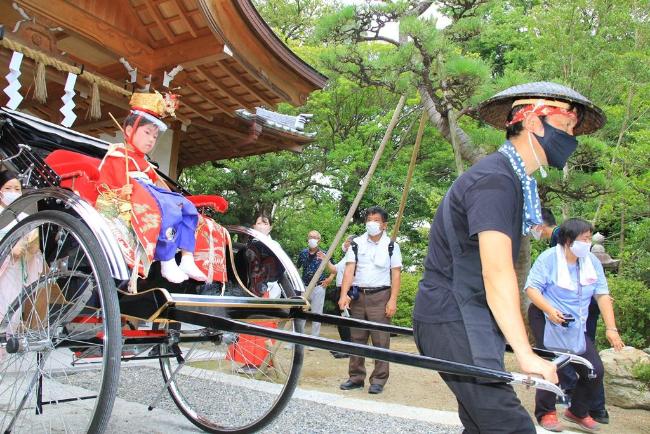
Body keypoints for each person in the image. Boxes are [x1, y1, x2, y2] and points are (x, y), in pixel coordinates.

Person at [412, 81, 607, 433]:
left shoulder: (515, 181)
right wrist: (525, 352)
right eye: (565, 127)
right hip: (453, 315)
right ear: (533, 122)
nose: (571, 138)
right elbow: (497, 272)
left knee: (481, 426)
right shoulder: (495, 181)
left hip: (467, 317)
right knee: (512, 426)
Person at [526, 218, 624, 432]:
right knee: (553, 364)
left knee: (594, 370)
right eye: (585, 238)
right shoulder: (549, 258)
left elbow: (602, 295)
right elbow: (531, 289)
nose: (587, 243)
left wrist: (611, 328)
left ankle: (577, 411)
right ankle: (546, 412)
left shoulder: (591, 261)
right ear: (569, 240)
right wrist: (550, 310)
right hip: (545, 316)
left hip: (575, 322)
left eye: (590, 238)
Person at [97, 92, 206, 284]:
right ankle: (167, 259)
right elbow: (105, 185)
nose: (151, 140)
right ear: (129, 131)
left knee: (187, 206)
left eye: (155, 136)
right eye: (147, 133)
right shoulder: (116, 154)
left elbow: (160, 185)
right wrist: (120, 192)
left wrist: (179, 199)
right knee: (169, 208)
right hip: (137, 196)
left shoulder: (145, 163)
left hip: (150, 192)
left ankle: (187, 257)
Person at [338, 206, 402, 394]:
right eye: (369, 219)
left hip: (381, 296)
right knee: (356, 338)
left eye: (376, 220)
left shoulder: (391, 245)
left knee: (381, 339)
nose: (371, 223)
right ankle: (356, 377)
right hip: (358, 295)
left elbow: (396, 274)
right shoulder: (356, 243)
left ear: (384, 225)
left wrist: (393, 300)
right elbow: (349, 270)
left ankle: (378, 380)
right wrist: (344, 295)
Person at [228, 213, 284, 374]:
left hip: (264, 290)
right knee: (246, 326)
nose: (260, 225)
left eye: (264, 223)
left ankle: (258, 362)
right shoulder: (250, 244)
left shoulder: (274, 245)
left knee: (260, 326)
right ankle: (247, 361)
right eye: (258, 222)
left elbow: (277, 270)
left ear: (270, 227)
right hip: (248, 289)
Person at [0, 169, 43, 337]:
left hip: (17, 270)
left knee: (12, 313)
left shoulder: (25, 216)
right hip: (3, 269)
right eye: (8, 188)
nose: (13, 193)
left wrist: (29, 243)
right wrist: (9, 247)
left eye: (17, 189)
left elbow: (35, 247)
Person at [296, 230, 335, 339]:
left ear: (319, 240)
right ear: (307, 239)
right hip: (304, 287)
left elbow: (334, 269)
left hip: (319, 287)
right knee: (301, 312)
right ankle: (298, 337)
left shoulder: (324, 253)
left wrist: (329, 279)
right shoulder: (303, 253)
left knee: (316, 314)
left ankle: (314, 339)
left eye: (315, 237)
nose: (312, 239)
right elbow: (297, 267)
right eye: (310, 237)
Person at [329, 235, 355, 359]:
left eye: (347, 241)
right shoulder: (345, 257)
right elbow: (335, 269)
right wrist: (325, 260)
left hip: (348, 290)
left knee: (346, 320)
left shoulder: (355, 256)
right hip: (339, 289)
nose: (345, 244)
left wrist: (348, 294)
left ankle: (349, 349)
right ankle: (344, 346)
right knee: (340, 319)